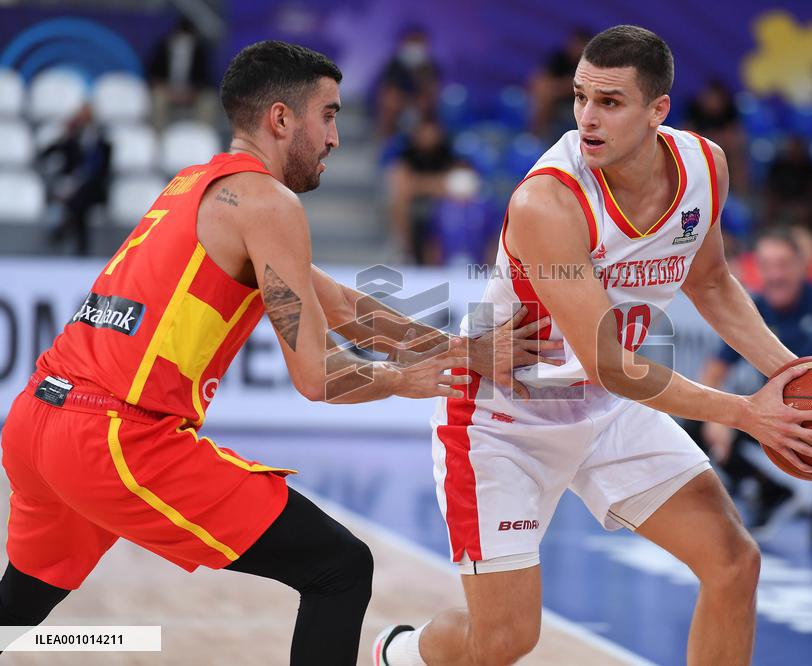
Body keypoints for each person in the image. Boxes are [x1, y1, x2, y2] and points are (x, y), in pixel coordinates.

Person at [0, 41, 559, 665]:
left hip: (37, 418)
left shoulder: (199, 182)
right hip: (113, 437)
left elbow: (342, 306)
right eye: (329, 115)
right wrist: (412, 379)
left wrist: (464, 350)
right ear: (281, 119)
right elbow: (317, 377)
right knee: (339, 568)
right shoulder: (270, 204)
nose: (337, 138)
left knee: (19, 607)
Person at [375, 26, 812, 666]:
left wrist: (792, 376)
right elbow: (608, 360)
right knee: (506, 640)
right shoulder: (549, 201)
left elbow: (709, 280)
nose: (588, 119)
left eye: (611, 102)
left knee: (734, 564)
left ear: (659, 110)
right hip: (501, 420)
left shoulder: (706, 168)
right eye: (579, 98)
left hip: (608, 408)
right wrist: (746, 411)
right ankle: (399, 657)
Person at [700, 229, 812, 540]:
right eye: (766, 265)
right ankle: (772, 493)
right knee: (696, 423)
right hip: (771, 419)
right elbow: (714, 371)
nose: (775, 274)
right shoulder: (750, 309)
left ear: (801, 266)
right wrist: (718, 416)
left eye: (782, 264)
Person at [39, 104, 112, 256]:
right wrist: (65, 135)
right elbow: (46, 153)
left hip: (91, 190)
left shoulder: (102, 142)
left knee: (80, 198)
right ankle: (80, 248)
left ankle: (63, 230)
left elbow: (101, 170)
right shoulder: (72, 139)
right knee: (76, 201)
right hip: (70, 187)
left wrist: (79, 182)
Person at [385, 116, 457, 263]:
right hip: (413, 201)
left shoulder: (447, 153)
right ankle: (406, 249)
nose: (428, 136)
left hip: (440, 201)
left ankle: (447, 253)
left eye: (431, 132)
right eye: (424, 132)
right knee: (398, 202)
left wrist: (418, 184)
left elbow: (453, 183)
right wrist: (433, 184)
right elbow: (402, 184)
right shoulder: (408, 153)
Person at [147, 17, 217, 130]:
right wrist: (168, 90)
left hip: (191, 94)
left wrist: (191, 93)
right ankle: (158, 135)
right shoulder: (163, 48)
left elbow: (206, 79)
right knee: (157, 98)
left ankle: (202, 136)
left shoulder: (200, 51)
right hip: (167, 91)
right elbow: (153, 74)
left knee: (208, 100)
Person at [374, 26, 440, 137]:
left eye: (418, 42)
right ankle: (387, 139)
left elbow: (431, 92)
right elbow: (389, 90)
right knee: (390, 102)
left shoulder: (430, 67)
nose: (414, 48)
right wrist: (402, 103)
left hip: (421, 108)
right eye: (411, 42)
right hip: (399, 105)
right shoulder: (394, 65)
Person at [685, 77, 749, 194]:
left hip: (724, 152)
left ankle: (740, 197)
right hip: (700, 152)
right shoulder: (694, 110)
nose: (712, 101)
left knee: (737, 157)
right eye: (709, 96)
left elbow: (736, 137)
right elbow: (686, 135)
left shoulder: (730, 111)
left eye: (715, 98)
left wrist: (715, 140)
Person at [528, 28, 590, 139]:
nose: (575, 47)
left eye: (579, 44)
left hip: (572, 103)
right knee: (543, 91)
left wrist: (554, 90)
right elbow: (539, 78)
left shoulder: (589, 65)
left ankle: (536, 134)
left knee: (547, 94)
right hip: (551, 97)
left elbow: (575, 87)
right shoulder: (559, 58)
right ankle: (534, 133)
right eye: (574, 43)